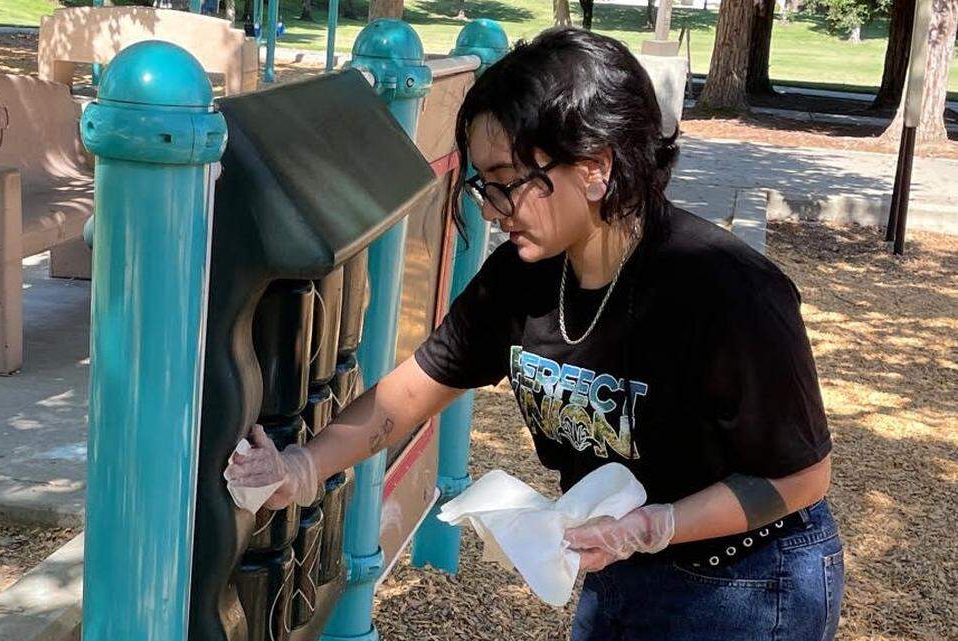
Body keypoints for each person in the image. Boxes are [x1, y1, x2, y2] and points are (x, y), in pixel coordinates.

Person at [227, 27, 844, 641]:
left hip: (748, 580)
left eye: (508, 181)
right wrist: (302, 467)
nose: (492, 208)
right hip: (621, 562)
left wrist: (656, 526)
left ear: (596, 166)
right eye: (483, 184)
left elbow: (800, 476)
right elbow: (414, 389)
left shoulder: (728, 291)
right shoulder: (523, 279)